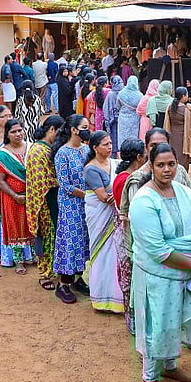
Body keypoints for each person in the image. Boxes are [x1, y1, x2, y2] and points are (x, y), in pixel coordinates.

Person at [119, 128, 191, 359]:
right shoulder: (142, 194)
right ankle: (150, 377)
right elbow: (157, 248)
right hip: (157, 273)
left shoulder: (183, 190)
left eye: (171, 163)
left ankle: (171, 366)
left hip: (187, 270)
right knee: (156, 326)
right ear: (150, 164)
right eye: (160, 165)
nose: (167, 169)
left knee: (175, 323)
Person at [0, 106, 34, 267]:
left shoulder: (31, 148)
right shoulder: (2, 154)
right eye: (13, 132)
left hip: (31, 195)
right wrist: (15, 196)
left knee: (31, 225)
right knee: (15, 227)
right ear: (6, 134)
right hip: (11, 197)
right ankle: (18, 260)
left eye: (20, 130)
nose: (18, 134)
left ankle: (32, 257)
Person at [83, 130, 124, 313]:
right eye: (105, 145)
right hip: (100, 217)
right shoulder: (91, 169)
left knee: (114, 255)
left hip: (112, 217)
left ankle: (116, 297)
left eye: (110, 143)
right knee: (102, 254)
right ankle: (101, 297)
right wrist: (123, 193)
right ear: (95, 148)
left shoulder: (114, 163)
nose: (110, 147)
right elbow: (103, 197)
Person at [53, 114, 92, 303]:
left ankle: (78, 278)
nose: (88, 129)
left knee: (84, 240)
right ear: (74, 130)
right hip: (70, 204)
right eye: (84, 126)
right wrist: (87, 194)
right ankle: (63, 284)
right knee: (70, 241)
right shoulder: (62, 153)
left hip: (87, 203)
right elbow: (65, 185)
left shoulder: (86, 149)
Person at [112, 138, 145, 333]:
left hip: (125, 230)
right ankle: (134, 323)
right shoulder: (128, 180)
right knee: (131, 278)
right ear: (139, 158)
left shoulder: (123, 176)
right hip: (128, 232)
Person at [26, 116, 61, 291]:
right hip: (43, 201)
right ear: (52, 130)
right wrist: (63, 182)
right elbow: (42, 181)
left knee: (54, 236)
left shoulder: (49, 148)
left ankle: (54, 270)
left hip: (53, 199)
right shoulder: (38, 151)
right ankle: (44, 274)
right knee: (45, 236)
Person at [116, 76, 143, 151]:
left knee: (123, 135)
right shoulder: (140, 95)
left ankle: (122, 150)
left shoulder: (121, 93)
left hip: (123, 118)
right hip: (135, 118)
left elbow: (117, 105)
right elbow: (140, 107)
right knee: (133, 135)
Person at [103, 76, 124, 155]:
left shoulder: (111, 94)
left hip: (113, 120)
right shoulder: (124, 92)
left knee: (114, 137)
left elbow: (106, 108)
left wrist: (108, 119)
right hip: (123, 120)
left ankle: (114, 154)